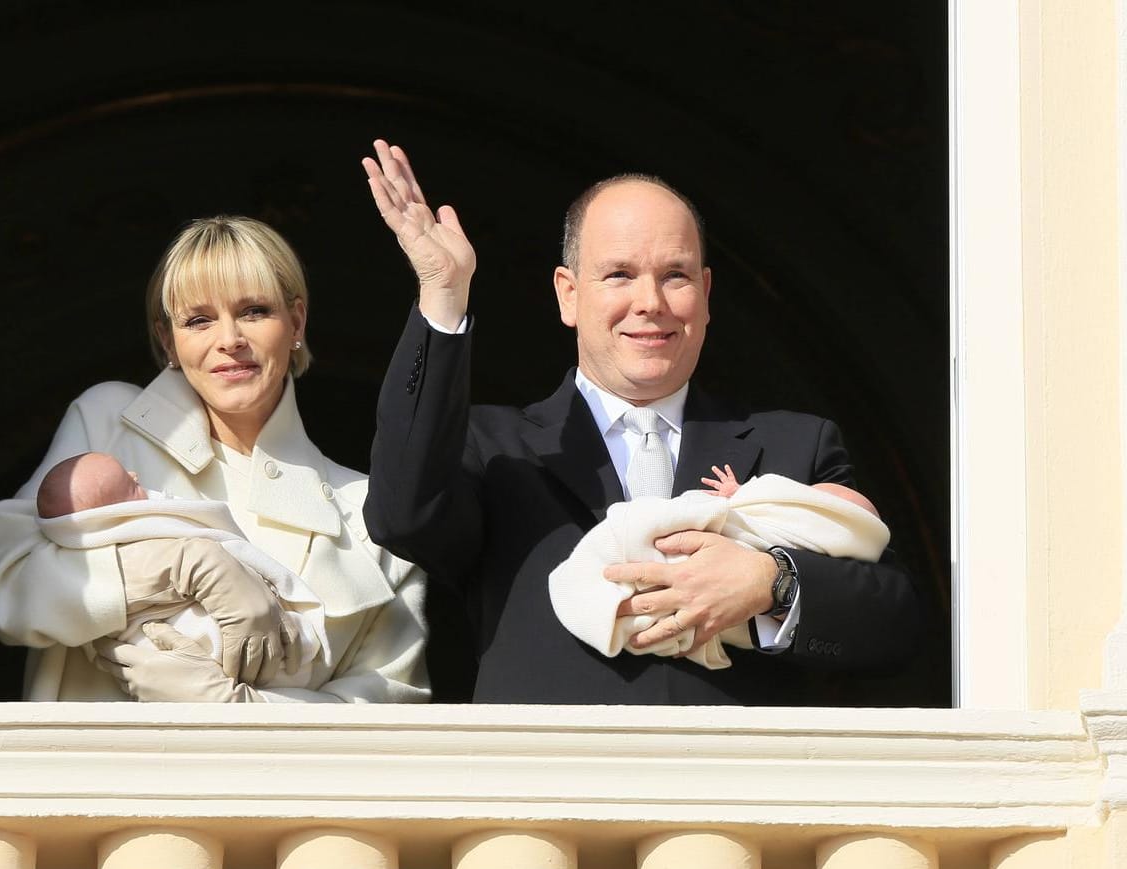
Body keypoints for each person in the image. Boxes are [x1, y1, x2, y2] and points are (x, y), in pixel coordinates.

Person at [360, 140, 924, 705]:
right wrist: (443, 292)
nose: (650, 301)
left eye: (674, 275)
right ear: (569, 295)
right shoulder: (495, 448)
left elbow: (894, 618)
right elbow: (401, 515)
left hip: (739, 785)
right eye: (620, 275)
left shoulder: (796, 445)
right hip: (552, 783)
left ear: (705, 295)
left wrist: (771, 583)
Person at [0, 215, 428, 703]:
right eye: (198, 320)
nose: (229, 339)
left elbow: (388, 711)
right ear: (169, 341)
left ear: (296, 322)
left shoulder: (363, 510)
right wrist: (183, 563)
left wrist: (235, 708)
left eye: (253, 311)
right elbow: (5, 583)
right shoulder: (108, 420)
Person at [34, 451, 328, 694]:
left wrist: (248, 708)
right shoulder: (102, 412)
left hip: (292, 699)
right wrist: (181, 561)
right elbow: (21, 575)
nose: (137, 476)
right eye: (130, 486)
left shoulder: (350, 489)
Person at [548, 464, 889, 670]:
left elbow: (887, 609)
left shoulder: (810, 442)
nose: (808, 494)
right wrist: (741, 495)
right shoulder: (497, 441)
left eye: (813, 494)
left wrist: (773, 581)